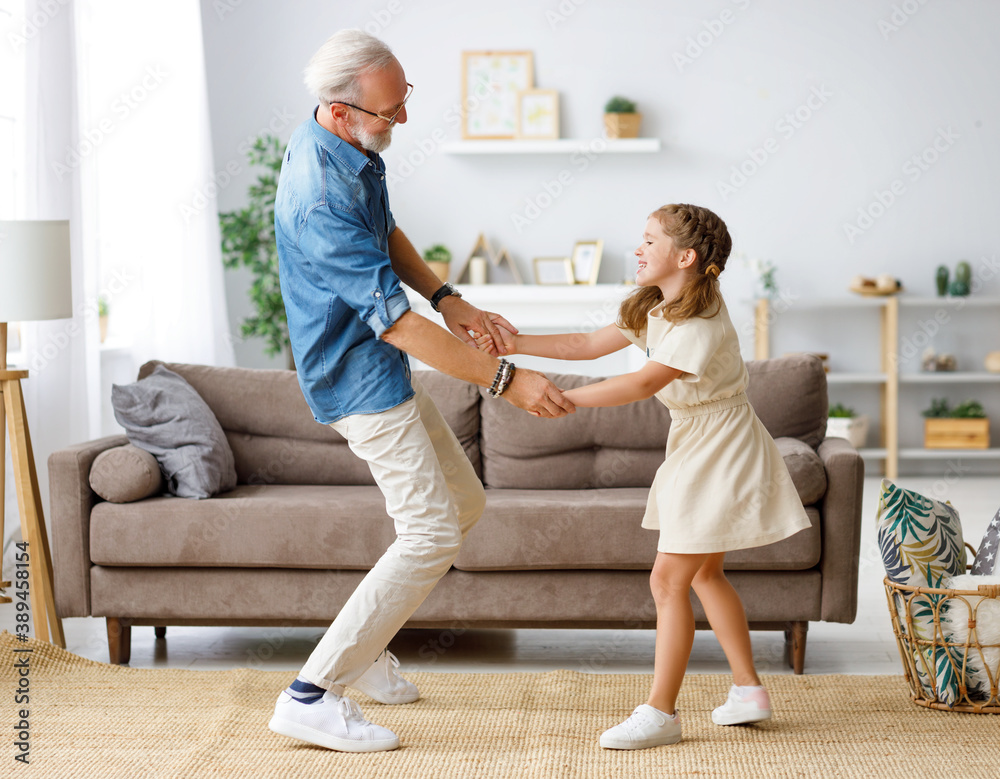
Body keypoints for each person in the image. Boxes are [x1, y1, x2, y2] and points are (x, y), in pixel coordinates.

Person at [268, 29, 575, 753]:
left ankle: (364, 649)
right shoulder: (317, 194)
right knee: (432, 530)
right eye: (388, 113)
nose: (399, 121)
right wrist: (508, 380)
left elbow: (388, 233)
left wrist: (451, 298)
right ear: (341, 110)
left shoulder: (350, 150)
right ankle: (309, 695)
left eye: (404, 103)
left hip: (379, 369)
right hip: (356, 379)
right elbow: (397, 326)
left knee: (462, 504)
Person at [478, 203, 811, 749]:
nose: (637, 249)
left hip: (720, 450)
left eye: (649, 240)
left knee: (667, 580)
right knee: (703, 575)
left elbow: (640, 385)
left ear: (685, 256)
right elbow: (585, 345)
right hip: (702, 444)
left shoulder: (699, 324)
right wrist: (517, 345)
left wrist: (560, 399)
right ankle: (748, 690)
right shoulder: (659, 305)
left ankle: (661, 712)